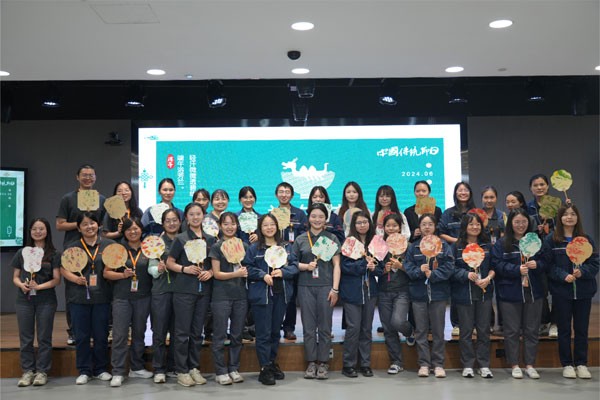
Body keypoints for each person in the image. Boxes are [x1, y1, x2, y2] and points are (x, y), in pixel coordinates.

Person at [543, 205, 599, 379]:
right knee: (564, 329)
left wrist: (583, 272)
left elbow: (595, 263)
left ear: (577, 217)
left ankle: (581, 363)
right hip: (562, 292)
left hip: (583, 291)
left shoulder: (586, 239)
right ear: (559, 218)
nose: (569, 217)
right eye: (565, 214)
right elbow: (548, 265)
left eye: (573, 214)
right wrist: (562, 275)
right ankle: (567, 364)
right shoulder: (552, 240)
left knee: (581, 329)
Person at [244, 214, 298, 385]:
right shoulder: (254, 248)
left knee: (275, 332)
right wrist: (262, 275)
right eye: (265, 225)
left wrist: (283, 272)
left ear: (277, 226)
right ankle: (264, 367)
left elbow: (295, 266)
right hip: (262, 295)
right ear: (260, 228)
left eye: (272, 224)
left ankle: (271, 362)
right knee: (263, 333)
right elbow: (247, 267)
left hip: (281, 294)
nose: (269, 228)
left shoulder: (286, 247)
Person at [60, 212, 113, 385]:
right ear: (78, 228)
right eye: (85, 224)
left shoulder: (108, 245)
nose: (89, 227)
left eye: (92, 223)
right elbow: (63, 268)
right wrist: (75, 279)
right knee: (81, 336)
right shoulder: (73, 247)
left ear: (98, 225)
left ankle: (101, 369)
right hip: (78, 297)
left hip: (102, 297)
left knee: (101, 335)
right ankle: (84, 370)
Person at [491, 208, 545, 379]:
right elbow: (497, 264)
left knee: (531, 330)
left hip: (533, 292)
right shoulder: (502, 243)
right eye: (517, 222)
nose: (520, 225)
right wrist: (515, 269)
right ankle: (514, 364)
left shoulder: (535, 241)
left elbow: (546, 261)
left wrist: (538, 264)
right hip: (509, 293)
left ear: (529, 223)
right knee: (512, 331)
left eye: (524, 222)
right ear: (510, 223)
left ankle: (530, 365)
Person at [56, 164, 106, 345]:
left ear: (95, 177)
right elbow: (60, 225)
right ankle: (73, 331)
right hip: (74, 249)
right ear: (77, 177)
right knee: (74, 290)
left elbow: (104, 226)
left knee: (98, 287)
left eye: (91, 175)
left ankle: (98, 330)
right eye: (84, 175)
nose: (88, 178)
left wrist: (93, 226)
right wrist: (82, 224)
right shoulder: (68, 198)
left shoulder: (101, 199)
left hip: (95, 248)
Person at [166, 203, 215, 387]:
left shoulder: (211, 239)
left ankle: (194, 367)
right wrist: (185, 269)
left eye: (198, 214)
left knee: (197, 332)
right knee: (182, 332)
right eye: (191, 214)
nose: (195, 217)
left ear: (203, 216)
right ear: (186, 217)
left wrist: (210, 272)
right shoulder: (181, 238)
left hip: (204, 291)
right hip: (184, 291)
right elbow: (169, 262)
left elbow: (214, 264)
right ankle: (181, 370)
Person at [103, 218, 153, 387]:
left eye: (136, 228)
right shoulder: (117, 249)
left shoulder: (148, 248)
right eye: (129, 229)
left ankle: (136, 367)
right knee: (120, 335)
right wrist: (122, 275)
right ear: (124, 232)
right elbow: (107, 273)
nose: (133, 232)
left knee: (139, 333)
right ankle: (118, 371)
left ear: (141, 230)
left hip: (143, 297)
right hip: (122, 297)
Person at [293, 203, 341, 380]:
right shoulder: (300, 239)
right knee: (308, 327)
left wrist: (335, 289)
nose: (317, 219)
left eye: (321, 216)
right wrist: (306, 266)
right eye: (314, 216)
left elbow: (337, 265)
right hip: (305, 286)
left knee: (325, 327)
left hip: (326, 287)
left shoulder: (331, 238)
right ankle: (311, 362)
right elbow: (292, 263)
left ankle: (323, 362)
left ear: (326, 219)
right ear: (308, 218)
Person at [12, 218, 61, 387]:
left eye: (41, 228)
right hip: (24, 301)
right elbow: (15, 277)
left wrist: (39, 287)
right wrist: (22, 285)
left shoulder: (54, 254)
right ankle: (27, 371)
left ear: (47, 231)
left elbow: (56, 280)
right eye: (34, 229)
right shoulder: (22, 252)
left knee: (44, 337)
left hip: (46, 300)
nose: (38, 232)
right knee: (25, 337)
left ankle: (42, 371)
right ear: (30, 231)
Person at [404, 213, 454, 378]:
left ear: (435, 226)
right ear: (419, 227)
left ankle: (438, 364)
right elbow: (408, 268)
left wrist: (433, 275)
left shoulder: (444, 246)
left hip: (439, 295)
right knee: (421, 331)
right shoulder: (413, 247)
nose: (427, 227)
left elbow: (449, 267)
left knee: (439, 331)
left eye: (430, 224)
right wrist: (420, 271)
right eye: (424, 224)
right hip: (418, 295)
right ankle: (424, 364)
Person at [450, 212, 495, 379]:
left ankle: (484, 365)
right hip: (464, 294)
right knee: (466, 331)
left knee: (484, 331)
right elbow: (451, 269)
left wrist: (488, 279)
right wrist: (465, 274)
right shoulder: (457, 246)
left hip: (484, 293)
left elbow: (494, 266)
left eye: (477, 224)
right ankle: (468, 365)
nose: (475, 227)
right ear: (465, 226)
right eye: (471, 224)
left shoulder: (487, 245)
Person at [209, 212, 248, 385]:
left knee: (237, 335)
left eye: (232, 223)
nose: (229, 227)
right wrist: (236, 274)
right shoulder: (217, 247)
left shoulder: (243, 245)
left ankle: (233, 368)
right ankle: (220, 371)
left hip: (240, 296)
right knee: (219, 334)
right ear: (220, 226)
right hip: (221, 297)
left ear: (237, 225)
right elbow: (217, 274)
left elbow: (248, 269)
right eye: (225, 224)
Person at [340, 211, 379, 378]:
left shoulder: (375, 243)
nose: (362, 225)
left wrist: (375, 268)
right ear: (353, 225)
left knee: (366, 329)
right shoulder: (348, 243)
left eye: (365, 222)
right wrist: (363, 265)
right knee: (353, 328)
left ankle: (365, 364)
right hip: (352, 291)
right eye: (358, 223)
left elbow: (382, 267)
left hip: (370, 292)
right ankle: (348, 364)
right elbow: (345, 267)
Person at [377, 213, 414, 375]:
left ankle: (410, 331)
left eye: (394, 225)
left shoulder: (408, 246)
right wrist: (382, 270)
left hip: (402, 290)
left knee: (398, 321)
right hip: (383, 291)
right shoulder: (379, 245)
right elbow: (374, 268)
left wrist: (401, 266)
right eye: (388, 226)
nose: (391, 228)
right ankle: (396, 362)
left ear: (400, 227)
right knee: (388, 328)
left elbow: (413, 270)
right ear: (383, 228)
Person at [439, 181, 476, 335]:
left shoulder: (476, 212)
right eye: (460, 190)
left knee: (475, 286)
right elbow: (441, 232)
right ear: (455, 193)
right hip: (454, 252)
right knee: (456, 287)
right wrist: (458, 241)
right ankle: (456, 324)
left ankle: (475, 323)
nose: (463, 193)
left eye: (466, 190)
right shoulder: (448, 213)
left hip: (475, 252)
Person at [149, 209, 181, 383]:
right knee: (159, 332)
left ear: (180, 221)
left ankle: (174, 366)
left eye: (174, 220)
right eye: (168, 221)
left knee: (177, 332)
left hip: (181, 292)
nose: (171, 223)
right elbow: (151, 269)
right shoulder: (157, 242)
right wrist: (158, 269)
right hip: (161, 291)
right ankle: (159, 369)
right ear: (162, 223)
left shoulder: (185, 240)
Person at [276, 182, 307, 341]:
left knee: (291, 296)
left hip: (294, 259)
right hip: (275, 259)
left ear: (292, 195)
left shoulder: (300, 214)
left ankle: (289, 328)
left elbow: (304, 236)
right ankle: (275, 326)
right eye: (281, 192)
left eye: (287, 192)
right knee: (277, 295)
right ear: (276, 195)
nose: (284, 195)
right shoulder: (272, 214)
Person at [526, 173, 556, 337]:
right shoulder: (528, 208)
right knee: (541, 290)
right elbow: (524, 230)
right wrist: (535, 230)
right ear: (531, 189)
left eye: (542, 184)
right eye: (535, 185)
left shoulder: (556, 205)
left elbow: (563, 225)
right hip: (537, 254)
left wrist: (550, 231)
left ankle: (555, 323)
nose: (539, 188)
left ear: (548, 186)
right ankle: (544, 321)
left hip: (555, 252)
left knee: (558, 290)